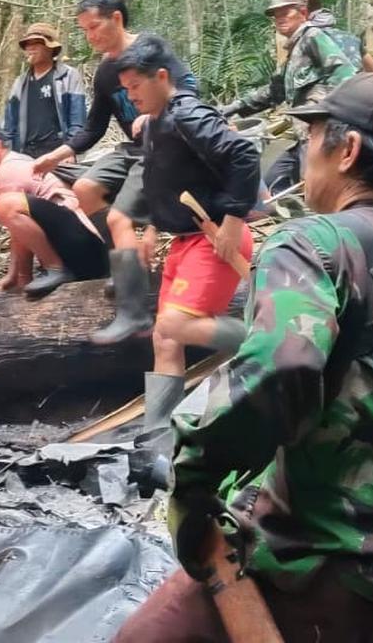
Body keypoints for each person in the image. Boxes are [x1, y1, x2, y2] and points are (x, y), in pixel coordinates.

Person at [115, 73, 373, 642]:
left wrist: (194, 479)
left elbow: (282, 368)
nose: (304, 157)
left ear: (347, 151)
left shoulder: (311, 244)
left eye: (311, 139)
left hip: (304, 570)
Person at [92, 35, 259, 492]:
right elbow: (161, 182)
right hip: (185, 240)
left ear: (161, 77)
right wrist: (150, 228)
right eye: (125, 89)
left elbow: (244, 155)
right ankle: (157, 438)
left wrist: (232, 221)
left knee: (174, 325)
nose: (130, 96)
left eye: (135, 87)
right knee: (165, 339)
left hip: (213, 237)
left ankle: (268, 337)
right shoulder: (157, 122)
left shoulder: (188, 114)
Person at [31, 0, 197, 318]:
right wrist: (56, 156)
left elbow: (190, 90)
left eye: (94, 27)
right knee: (85, 189)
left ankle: (133, 285)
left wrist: (156, 116)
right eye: (84, 30)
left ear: (117, 19)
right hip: (132, 149)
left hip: (165, 145)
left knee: (121, 214)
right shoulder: (106, 72)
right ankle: (123, 261)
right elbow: (94, 127)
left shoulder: (151, 50)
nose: (90, 36)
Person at [219, 0, 360, 194]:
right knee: (272, 183)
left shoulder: (312, 36)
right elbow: (273, 92)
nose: (280, 19)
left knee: (314, 189)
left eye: (286, 13)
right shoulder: (294, 50)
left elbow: (345, 73)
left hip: (319, 133)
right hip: (301, 134)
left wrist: (318, 108)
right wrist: (231, 108)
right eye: (276, 15)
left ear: (303, 13)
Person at [0, 118, 107, 297]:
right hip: (88, 250)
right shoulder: (18, 162)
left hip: (85, 250)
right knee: (9, 207)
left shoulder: (8, 170)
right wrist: (15, 276)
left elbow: (13, 217)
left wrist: (23, 277)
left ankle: (55, 268)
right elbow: (20, 230)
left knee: (6, 205)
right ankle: (52, 269)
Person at [2, 23, 87, 160]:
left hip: (58, 153)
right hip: (26, 154)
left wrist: (70, 151)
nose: (31, 48)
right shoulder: (20, 83)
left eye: (37, 43)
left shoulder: (68, 76)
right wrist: (7, 154)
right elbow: (9, 125)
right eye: (27, 44)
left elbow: (77, 120)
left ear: (50, 48)